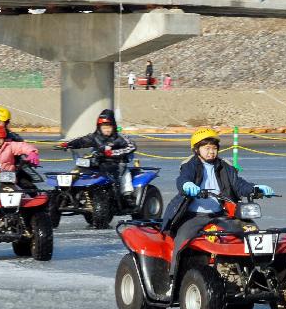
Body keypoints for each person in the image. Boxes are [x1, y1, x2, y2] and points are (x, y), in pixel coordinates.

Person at [161, 128, 274, 277]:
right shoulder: (190, 165)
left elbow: (238, 184)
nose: (211, 152)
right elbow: (183, 179)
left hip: (220, 215)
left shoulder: (224, 166)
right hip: (194, 215)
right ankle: (173, 276)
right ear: (197, 149)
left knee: (250, 230)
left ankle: (260, 271)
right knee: (182, 239)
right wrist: (187, 186)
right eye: (207, 148)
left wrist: (254, 189)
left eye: (214, 148)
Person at [59, 109, 137, 205]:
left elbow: (132, 146)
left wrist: (113, 153)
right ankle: (68, 192)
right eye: (104, 127)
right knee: (79, 170)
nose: (107, 129)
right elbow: (82, 140)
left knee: (125, 173)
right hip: (98, 162)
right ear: (99, 127)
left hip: (117, 162)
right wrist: (67, 144)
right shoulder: (94, 137)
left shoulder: (120, 137)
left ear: (114, 126)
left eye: (109, 127)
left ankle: (127, 195)